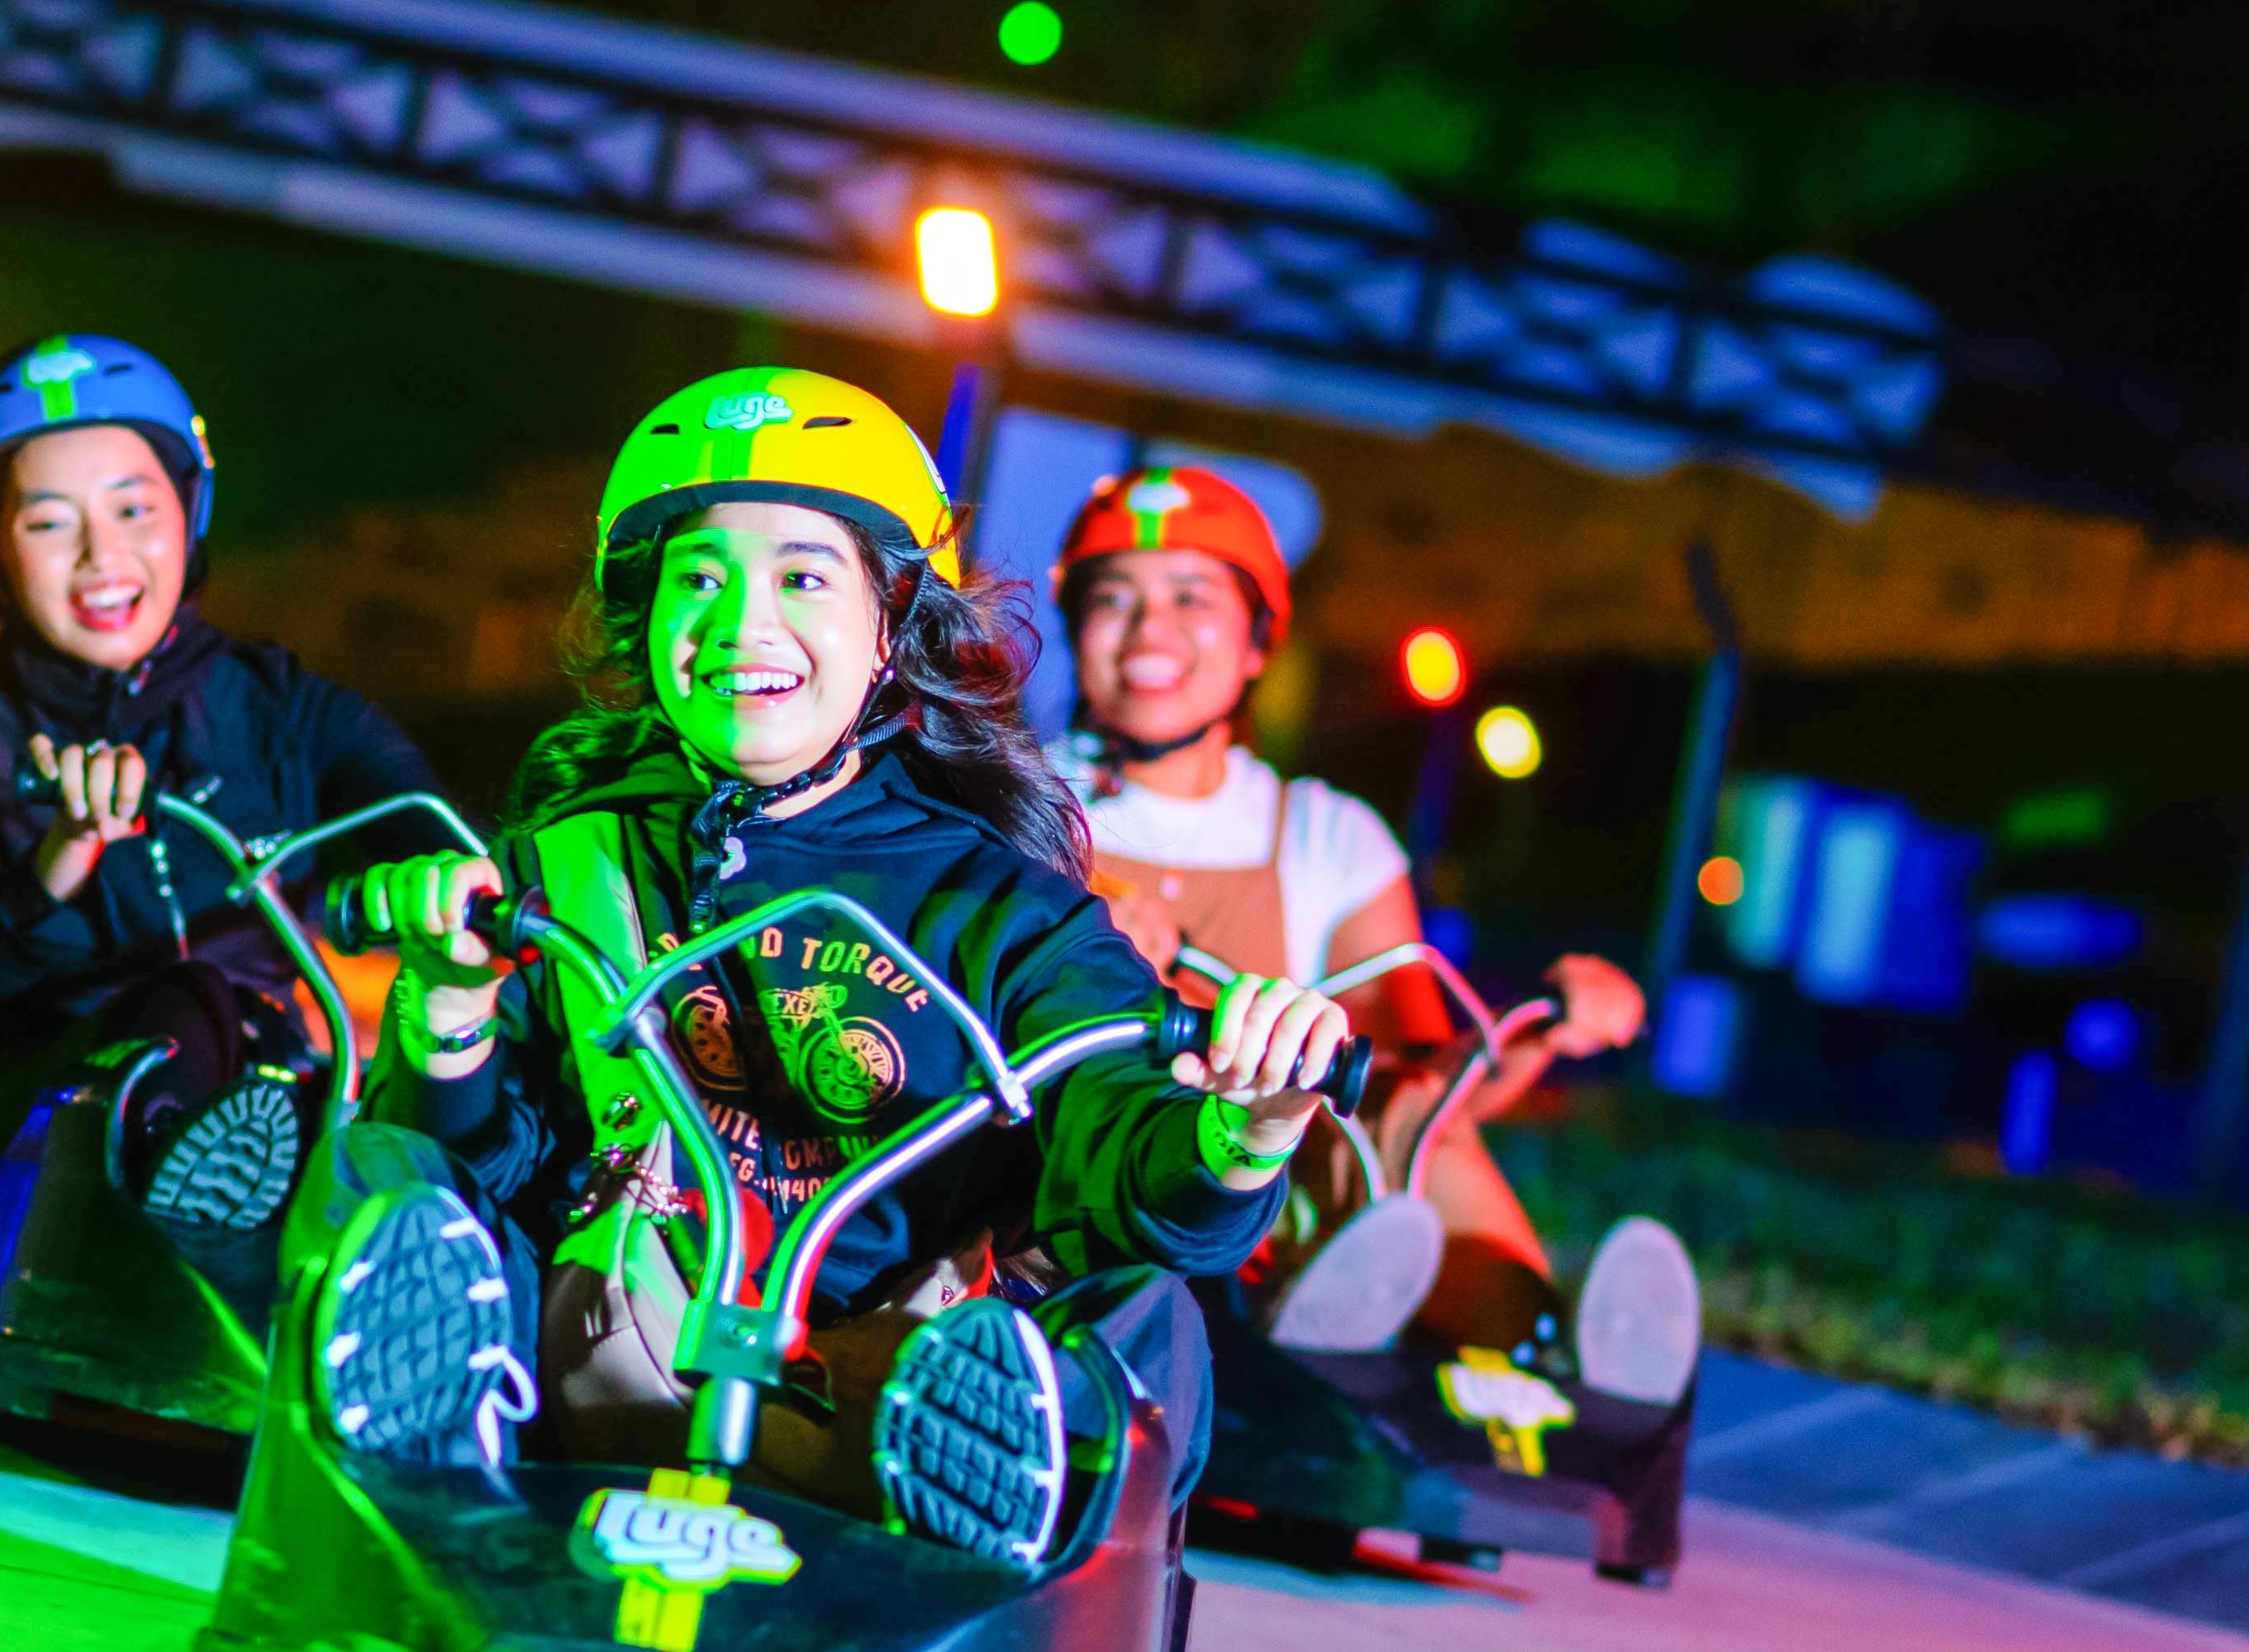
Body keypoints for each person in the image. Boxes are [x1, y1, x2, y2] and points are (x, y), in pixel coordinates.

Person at [334, 368, 1356, 1523]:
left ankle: (975, 1500)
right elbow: (469, 1154)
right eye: (699, 579)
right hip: (605, 1375)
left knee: (1144, 1312)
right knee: (391, 1181)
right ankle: (431, 1465)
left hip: (876, 1416)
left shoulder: (999, 905)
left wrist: (1245, 1130)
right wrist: (451, 1014)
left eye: (803, 578)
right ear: (649, 621)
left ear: (889, 628)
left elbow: (1129, 1160)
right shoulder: (570, 867)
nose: (741, 626)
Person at [1048, 458, 1688, 1380]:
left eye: (1192, 598)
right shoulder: (1021, 800)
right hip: (1083, 1164)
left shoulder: (1325, 834)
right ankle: (1364, 1322)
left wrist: (1544, 1027)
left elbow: (1422, 1095)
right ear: (1078, 627)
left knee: (1403, 1105)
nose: (1151, 628)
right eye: (1115, 599)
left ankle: (1535, 1334)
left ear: (1259, 640)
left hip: (1261, 1182)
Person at [0, 334, 446, 1227]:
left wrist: (451, 881)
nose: (102, 556)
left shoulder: (278, 703)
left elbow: (416, 811)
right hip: (36, 1094)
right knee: (190, 999)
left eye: (133, 510)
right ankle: (192, 1214)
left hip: (271, 1079)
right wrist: (69, 845)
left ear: (188, 514)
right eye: (50, 521)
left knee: (419, 1080)